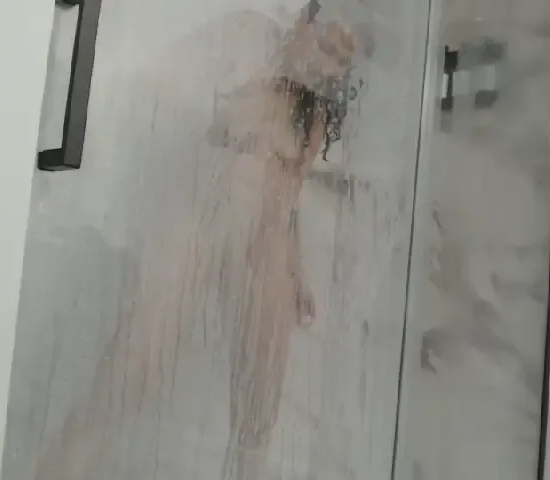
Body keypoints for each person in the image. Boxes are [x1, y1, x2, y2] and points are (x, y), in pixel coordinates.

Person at [34, 5, 357, 480]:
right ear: (305, 22)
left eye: (340, 64)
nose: (327, 68)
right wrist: (243, 90)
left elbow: (289, 195)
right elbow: (152, 85)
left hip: (265, 245)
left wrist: (296, 270)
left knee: (258, 422)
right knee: (124, 380)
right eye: (327, 47)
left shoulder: (313, 112)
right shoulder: (250, 36)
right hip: (202, 220)